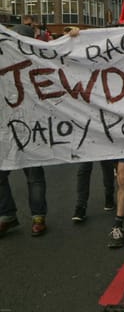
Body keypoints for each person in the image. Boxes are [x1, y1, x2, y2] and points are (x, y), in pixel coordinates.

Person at [0, 17, 49, 237]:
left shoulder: (41, 63)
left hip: (30, 127)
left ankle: (38, 217)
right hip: (5, 128)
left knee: (34, 173)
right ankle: (7, 214)